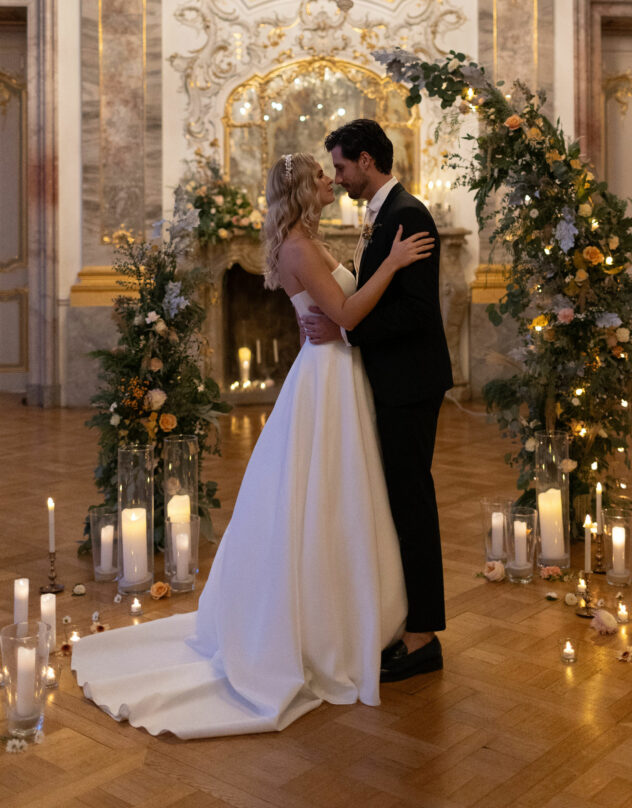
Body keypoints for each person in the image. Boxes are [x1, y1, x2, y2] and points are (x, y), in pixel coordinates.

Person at [71, 151, 434, 738]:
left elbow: (336, 315)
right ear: (300, 189)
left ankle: (359, 613)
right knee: (322, 497)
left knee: (341, 497)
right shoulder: (297, 247)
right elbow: (342, 312)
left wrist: (357, 299)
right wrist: (391, 264)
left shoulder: (305, 240)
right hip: (326, 379)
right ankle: (325, 627)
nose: (328, 181)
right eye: (320, 175)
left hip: (337, 374)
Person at [302, 119, 452, 682]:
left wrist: (347, 331)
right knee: (399, 498)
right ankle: (405, 619)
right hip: (395, 379)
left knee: (412, 500)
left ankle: (423, 635)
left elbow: (417, 311)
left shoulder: (406, 215)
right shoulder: (383, 215)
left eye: (340, 166)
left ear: (366, 161)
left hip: (410, 382)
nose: (337, 178)